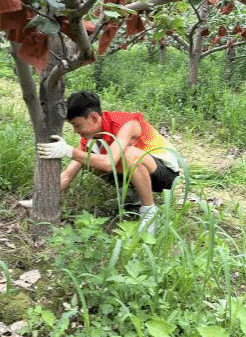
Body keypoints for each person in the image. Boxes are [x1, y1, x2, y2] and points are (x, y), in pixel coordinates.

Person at [34, 90, 180, 234]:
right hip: (140, 173)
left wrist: (68, 151)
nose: (75, 131)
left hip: (165, 174)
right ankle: (132, 197)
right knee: (86, 159)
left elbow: (109, 164)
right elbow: (67, 175)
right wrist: (40, 199)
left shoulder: (126, 124)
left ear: (93, 117)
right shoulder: (90, 138)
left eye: (77, 125)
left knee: (128, 155)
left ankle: (149, 213)